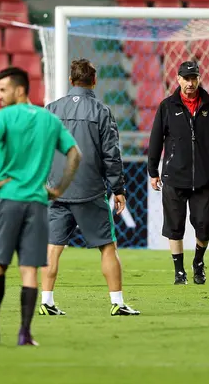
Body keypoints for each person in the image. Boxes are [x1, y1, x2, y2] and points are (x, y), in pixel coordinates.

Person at [0, 67, 82, 346]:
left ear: (19, 90)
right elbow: (75, 154)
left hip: (9, 199)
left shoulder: (5, 116)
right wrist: (58, 190)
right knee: (30, 270)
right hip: (37, 203)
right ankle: (25, 333)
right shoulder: (49, 119)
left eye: (2, 90)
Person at [39, 59, 140, 317]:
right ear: (94, 81)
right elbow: (111, 155)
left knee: (53, 247)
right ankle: (117, 302)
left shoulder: (51, 109)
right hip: (89, 190)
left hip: (57, 190)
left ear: (71, 81)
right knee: (107, 247)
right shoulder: (101, 112)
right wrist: (118, 189)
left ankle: (46, 301)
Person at [148, 61, 209, 285]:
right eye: (186, 78)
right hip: (174, 176)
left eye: (193, 78)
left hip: (204, 177)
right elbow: (155, 140)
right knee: (174, 226)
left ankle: (198, 262)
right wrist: (152, 170)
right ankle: (179, 272)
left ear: (199, 79)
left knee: (205, 224)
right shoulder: (167, 107)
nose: (190, 83)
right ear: (178, 79)